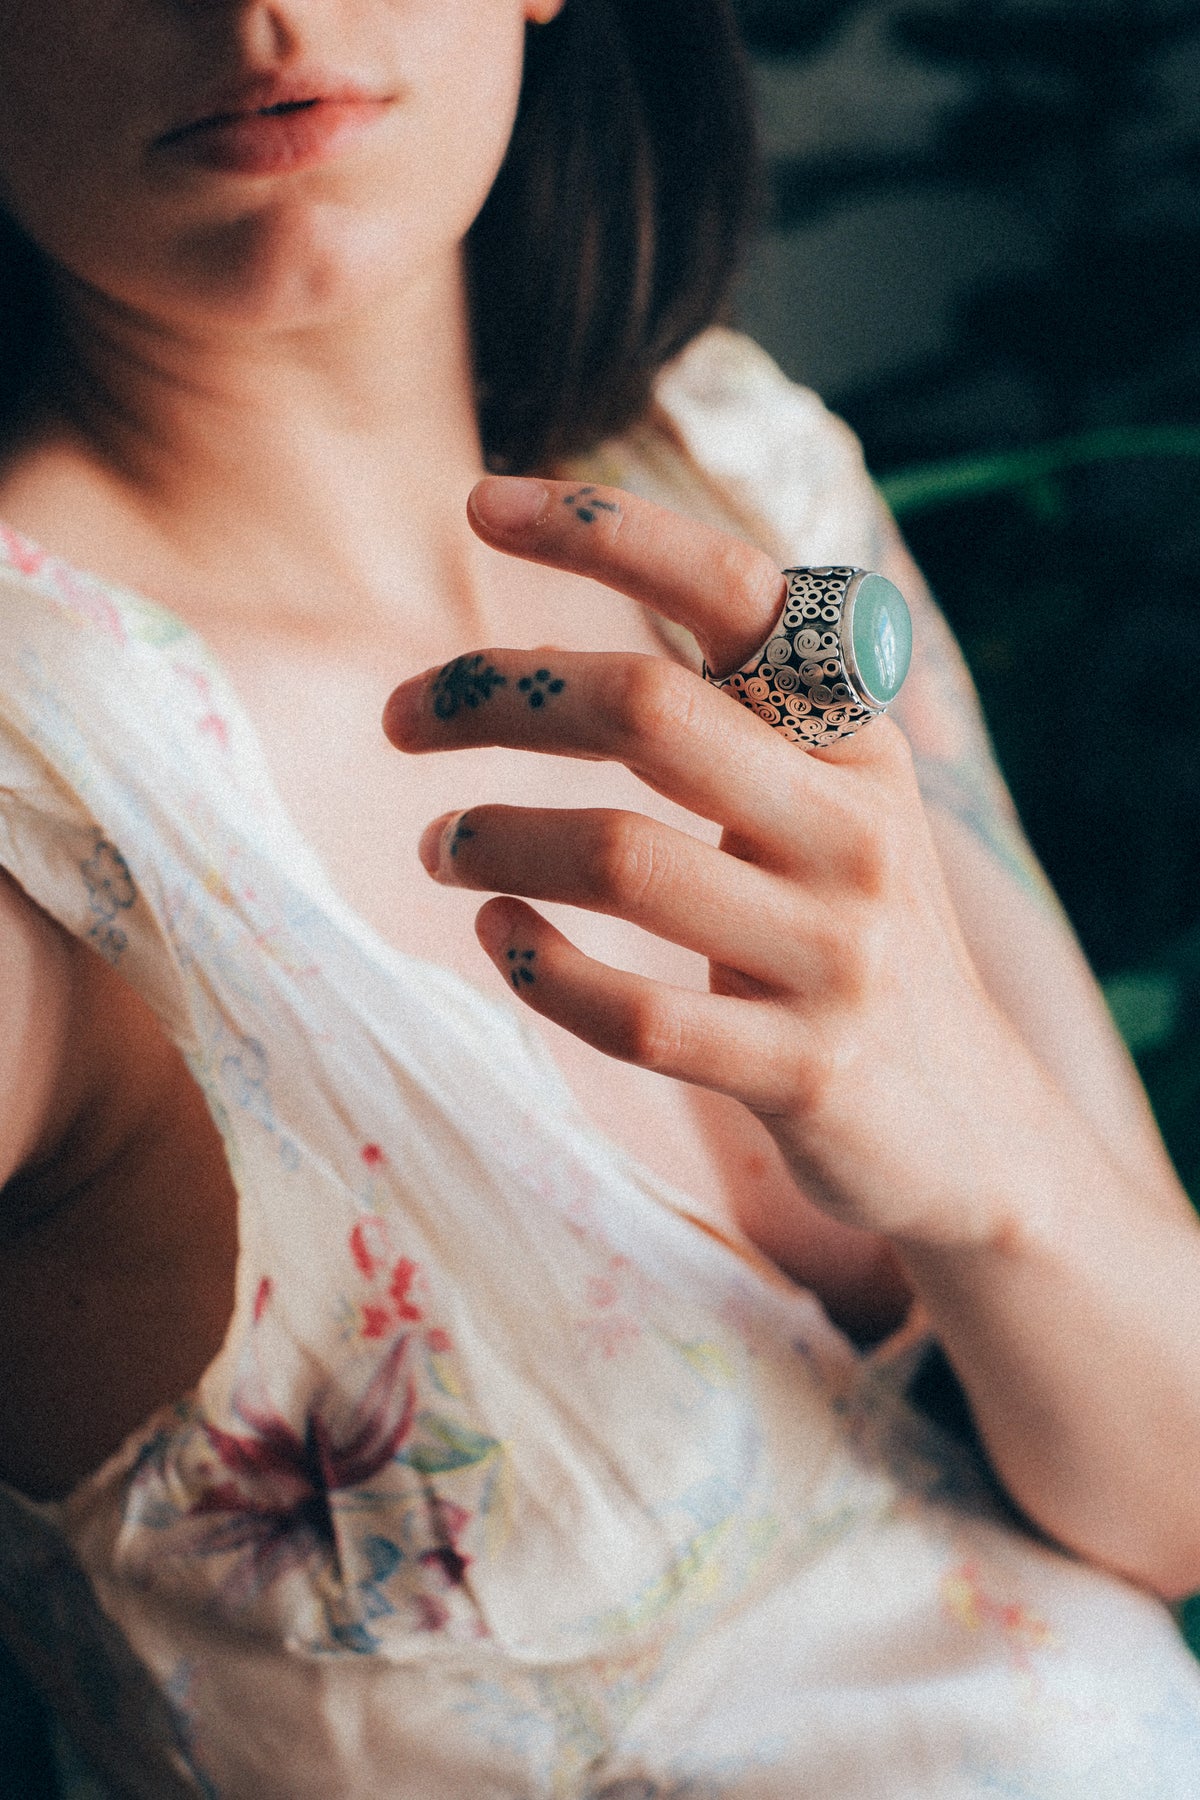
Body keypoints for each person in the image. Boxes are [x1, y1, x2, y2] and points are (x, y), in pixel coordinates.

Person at [0, 2, 1198, 1795]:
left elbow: (1172, 1498)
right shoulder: (47, 797)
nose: (260, 9)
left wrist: (991, 1164)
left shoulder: (742, 489)